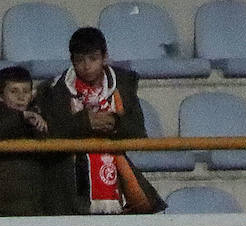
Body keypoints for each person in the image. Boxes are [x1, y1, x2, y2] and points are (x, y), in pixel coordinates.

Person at [35, 26, 163, 215]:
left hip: (116, 178)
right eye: (80, 60)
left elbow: (138, 130)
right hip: (70, 180)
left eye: (93, 59)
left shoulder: (123, 85)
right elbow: (49, 132)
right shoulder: (53, 90)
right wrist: (86, 123)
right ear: (71, 61)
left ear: (105, 57)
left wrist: (114, 123)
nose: (86, 66)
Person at [0, 66, 54, 217]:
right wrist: (22, 118)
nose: (21, 97)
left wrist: (39, 126)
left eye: (25, 91)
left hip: (35, 205)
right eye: (14, 91)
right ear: (0, 96)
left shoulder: (40, 114)